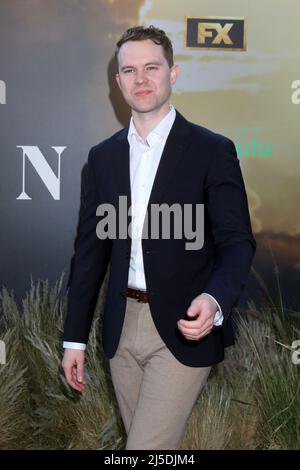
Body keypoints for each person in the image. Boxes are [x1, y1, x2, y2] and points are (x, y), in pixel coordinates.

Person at [62, 25, 256, 450]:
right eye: (129, 70)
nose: (141, 79)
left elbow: (237, 241)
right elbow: (89, 257)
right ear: (118, 83)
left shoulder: (212, 150)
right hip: (120, 329)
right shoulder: (103, 157)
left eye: (152, 67)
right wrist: (74, 338)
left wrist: (215, 298)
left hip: (183, 325)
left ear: (173, 73)